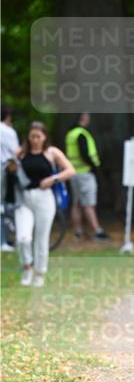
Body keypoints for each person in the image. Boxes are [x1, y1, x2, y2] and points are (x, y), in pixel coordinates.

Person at [11, 121, 75, 287]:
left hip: (45, 198)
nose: (35, 140)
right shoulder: (20, 153)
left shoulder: (52, 152)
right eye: (32, 136)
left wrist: (53, 179)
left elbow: (70, 170)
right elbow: (9, 170)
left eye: (38, 136)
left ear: (45, 137)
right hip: (24, 198)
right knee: (23, 238)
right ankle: (27, 266)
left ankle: (40, 273)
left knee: (41, 238)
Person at [64, 113, 110, 240]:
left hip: (73, 172)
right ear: (84, 119)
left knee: (77, 203)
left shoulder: (70, 134)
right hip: (85, 172)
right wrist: (94, 166)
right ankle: (97, 231)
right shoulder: (81, 134)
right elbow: (84, 153)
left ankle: (77, 231)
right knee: (89, 203)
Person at [1, 105, 20, 251]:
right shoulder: (8, 131)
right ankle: (3, 241)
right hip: (5, 169)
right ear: (8, 116)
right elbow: (16, 152)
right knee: (3, 205)